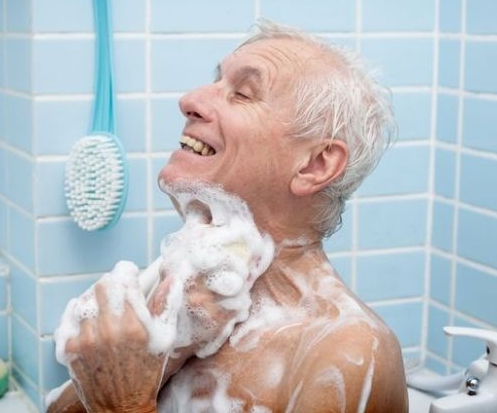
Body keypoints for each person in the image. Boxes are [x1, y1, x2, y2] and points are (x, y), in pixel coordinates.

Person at [47, 20, 408, 413]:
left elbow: (113, 402)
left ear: (315, 164)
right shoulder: (188, 297)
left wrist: (125, 404)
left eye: (243, 94)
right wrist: (169, 351)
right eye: (216, 82)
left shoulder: (347, 357)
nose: (189, 100)